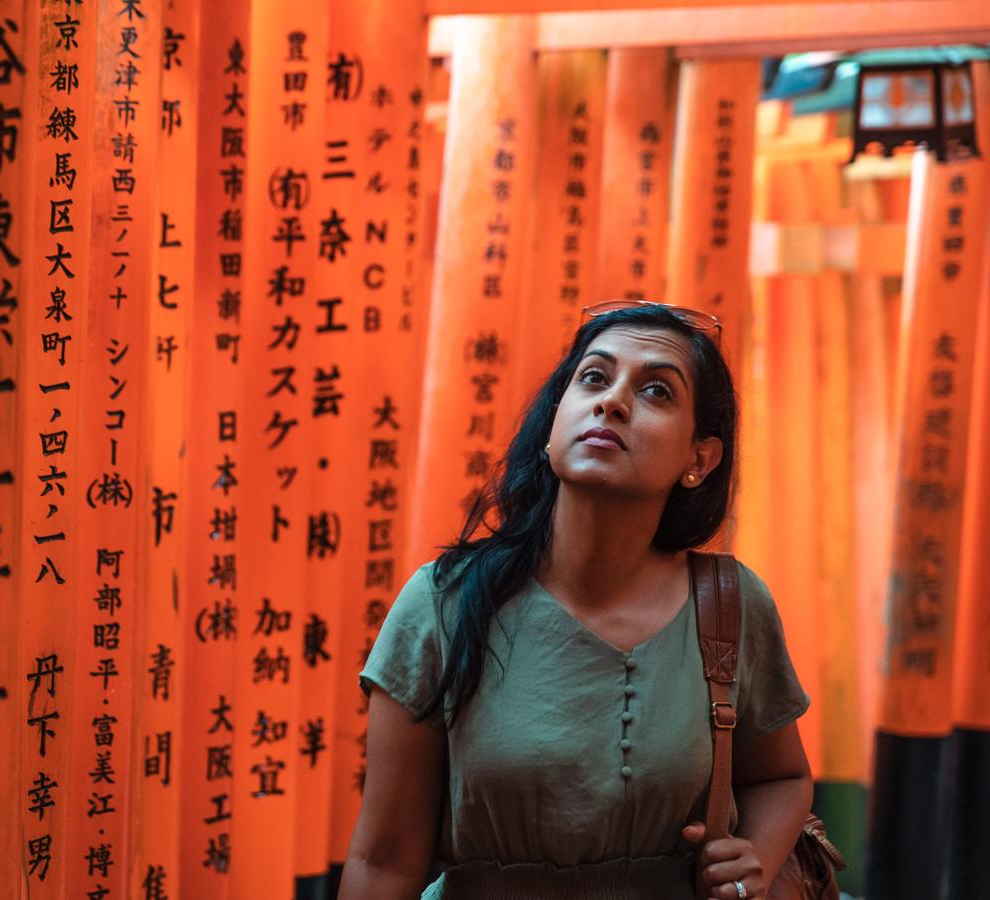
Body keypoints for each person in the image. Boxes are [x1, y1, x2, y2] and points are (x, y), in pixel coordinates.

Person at [340, 302, 813, 900]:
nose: (612, 401)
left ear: (699, 459)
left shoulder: (729, 605)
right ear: (552, 423)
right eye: (593, 377)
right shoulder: (444, 603)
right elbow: (383, 864)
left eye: (657, 391)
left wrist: (754, 865)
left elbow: (783, 776)